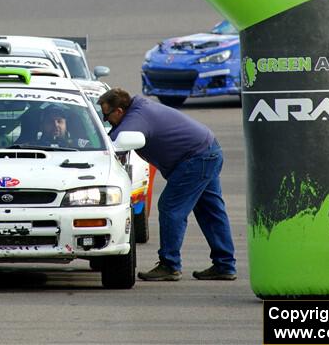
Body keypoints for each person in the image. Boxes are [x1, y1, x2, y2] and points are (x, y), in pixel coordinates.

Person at [98, 88, 236, 282]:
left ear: (119, 111)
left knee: (171, 208)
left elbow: (111, 145)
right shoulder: (140, 109)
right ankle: (225, 265)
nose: (106, 121)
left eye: (106, 116)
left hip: (196, 159)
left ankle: (170, 265)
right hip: (207, 151)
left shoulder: (137, 118)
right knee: (211, 210)